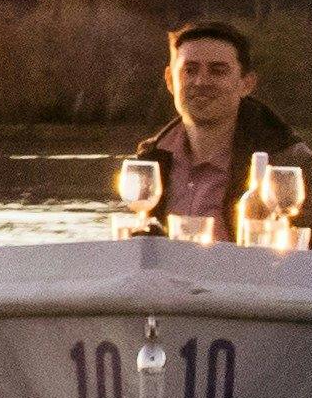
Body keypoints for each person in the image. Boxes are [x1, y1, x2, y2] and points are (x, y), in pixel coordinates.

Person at [127, 20, 302, 240]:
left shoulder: (287, 160)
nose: (201, 81)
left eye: (218, 71)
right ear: (170, 81)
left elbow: (311, 259)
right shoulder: (150, 160)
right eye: (189, 70)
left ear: (246, 84)